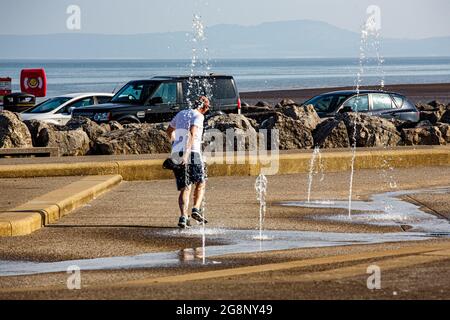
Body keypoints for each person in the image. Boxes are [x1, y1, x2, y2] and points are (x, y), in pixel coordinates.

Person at [166, 96, 210, 229]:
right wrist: (185, 154)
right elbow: (192, 133)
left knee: (186, 187)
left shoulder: (181, 113)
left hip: (176, 153)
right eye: (207, 108)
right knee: (201, 182)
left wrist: (175, 143)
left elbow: (169, 130)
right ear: (204, 107)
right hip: (192, 153)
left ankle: (183, 217)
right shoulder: (199, 116)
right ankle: (196, 208)